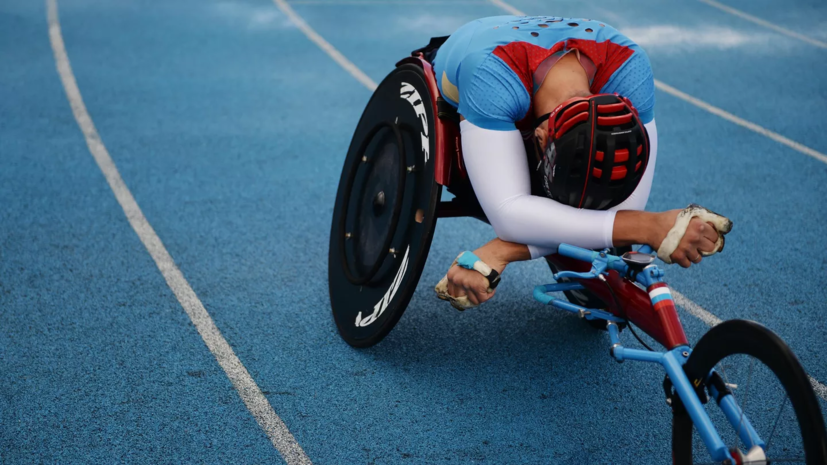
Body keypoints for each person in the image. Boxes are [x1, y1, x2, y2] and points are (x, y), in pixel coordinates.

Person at [430, 16, 726, 308]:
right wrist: (649, 227)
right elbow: (509, 215)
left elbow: (625, 212)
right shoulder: (492, 76)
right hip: (490, 55)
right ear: (541, 137)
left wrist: (502, 250)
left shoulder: (629, 69)